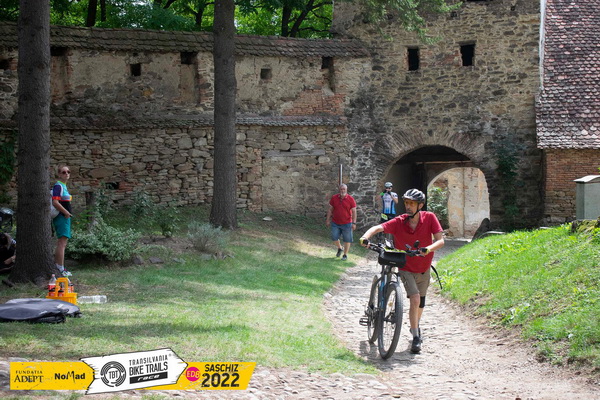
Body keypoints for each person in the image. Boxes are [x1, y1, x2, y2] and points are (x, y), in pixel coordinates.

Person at [360, 188, 444, 354]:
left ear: (420, 205)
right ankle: (416, 337)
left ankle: (415, 326)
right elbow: (378, 228)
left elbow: (440, 241)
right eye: (406, 203)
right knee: (414, 298)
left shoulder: (429, 218)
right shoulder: (400, 221)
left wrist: (428, 249)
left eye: (412, 203)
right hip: (405, 266)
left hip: (424, 267)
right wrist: (365, 237)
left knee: (421, 301)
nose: (408, 206)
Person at [326, 183, 357, 261]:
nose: (342, 191)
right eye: (341, 189)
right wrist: (328, 220)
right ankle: (340, 248)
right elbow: (330, 209)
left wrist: (354, 223)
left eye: (344, 189)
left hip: (347, 223)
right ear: (339, 190)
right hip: (335, 222)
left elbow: (354, 212)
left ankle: (345, 255)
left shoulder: (351, 199)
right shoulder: (334, 198)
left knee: (347, 239)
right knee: (334, 237)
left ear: (346, 190)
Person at [52, 165, 73, 277]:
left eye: (68, 172)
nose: (66, 174)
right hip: (62, 217)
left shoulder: (63, 186)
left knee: (63, 242)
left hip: (65, 217)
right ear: (59, 174)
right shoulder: (58, 186)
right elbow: (55, 202)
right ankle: (60, 268)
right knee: (62, 242)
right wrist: (66, 213)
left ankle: (59, 266)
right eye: (64, 172)